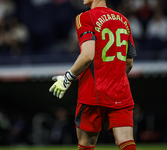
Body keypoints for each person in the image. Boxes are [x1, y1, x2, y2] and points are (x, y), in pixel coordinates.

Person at [49, 0, 137, 150]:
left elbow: (88, 55)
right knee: (126, 141)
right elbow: (129, 62)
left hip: (93, 92)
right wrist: (114, 78)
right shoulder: (123, 20)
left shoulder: (84, 17)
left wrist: (67, 78)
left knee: (86, 145)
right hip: (120, 91)